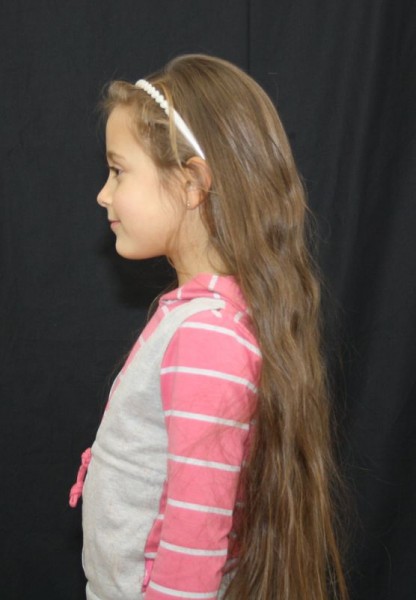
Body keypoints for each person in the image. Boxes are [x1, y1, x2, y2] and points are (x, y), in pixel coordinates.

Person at [69, 54, 348, 600]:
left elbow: (195, 535)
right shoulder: (197, 316)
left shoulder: (207, 336)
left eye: (118, 171)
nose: (104, 194)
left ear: (193, 182)